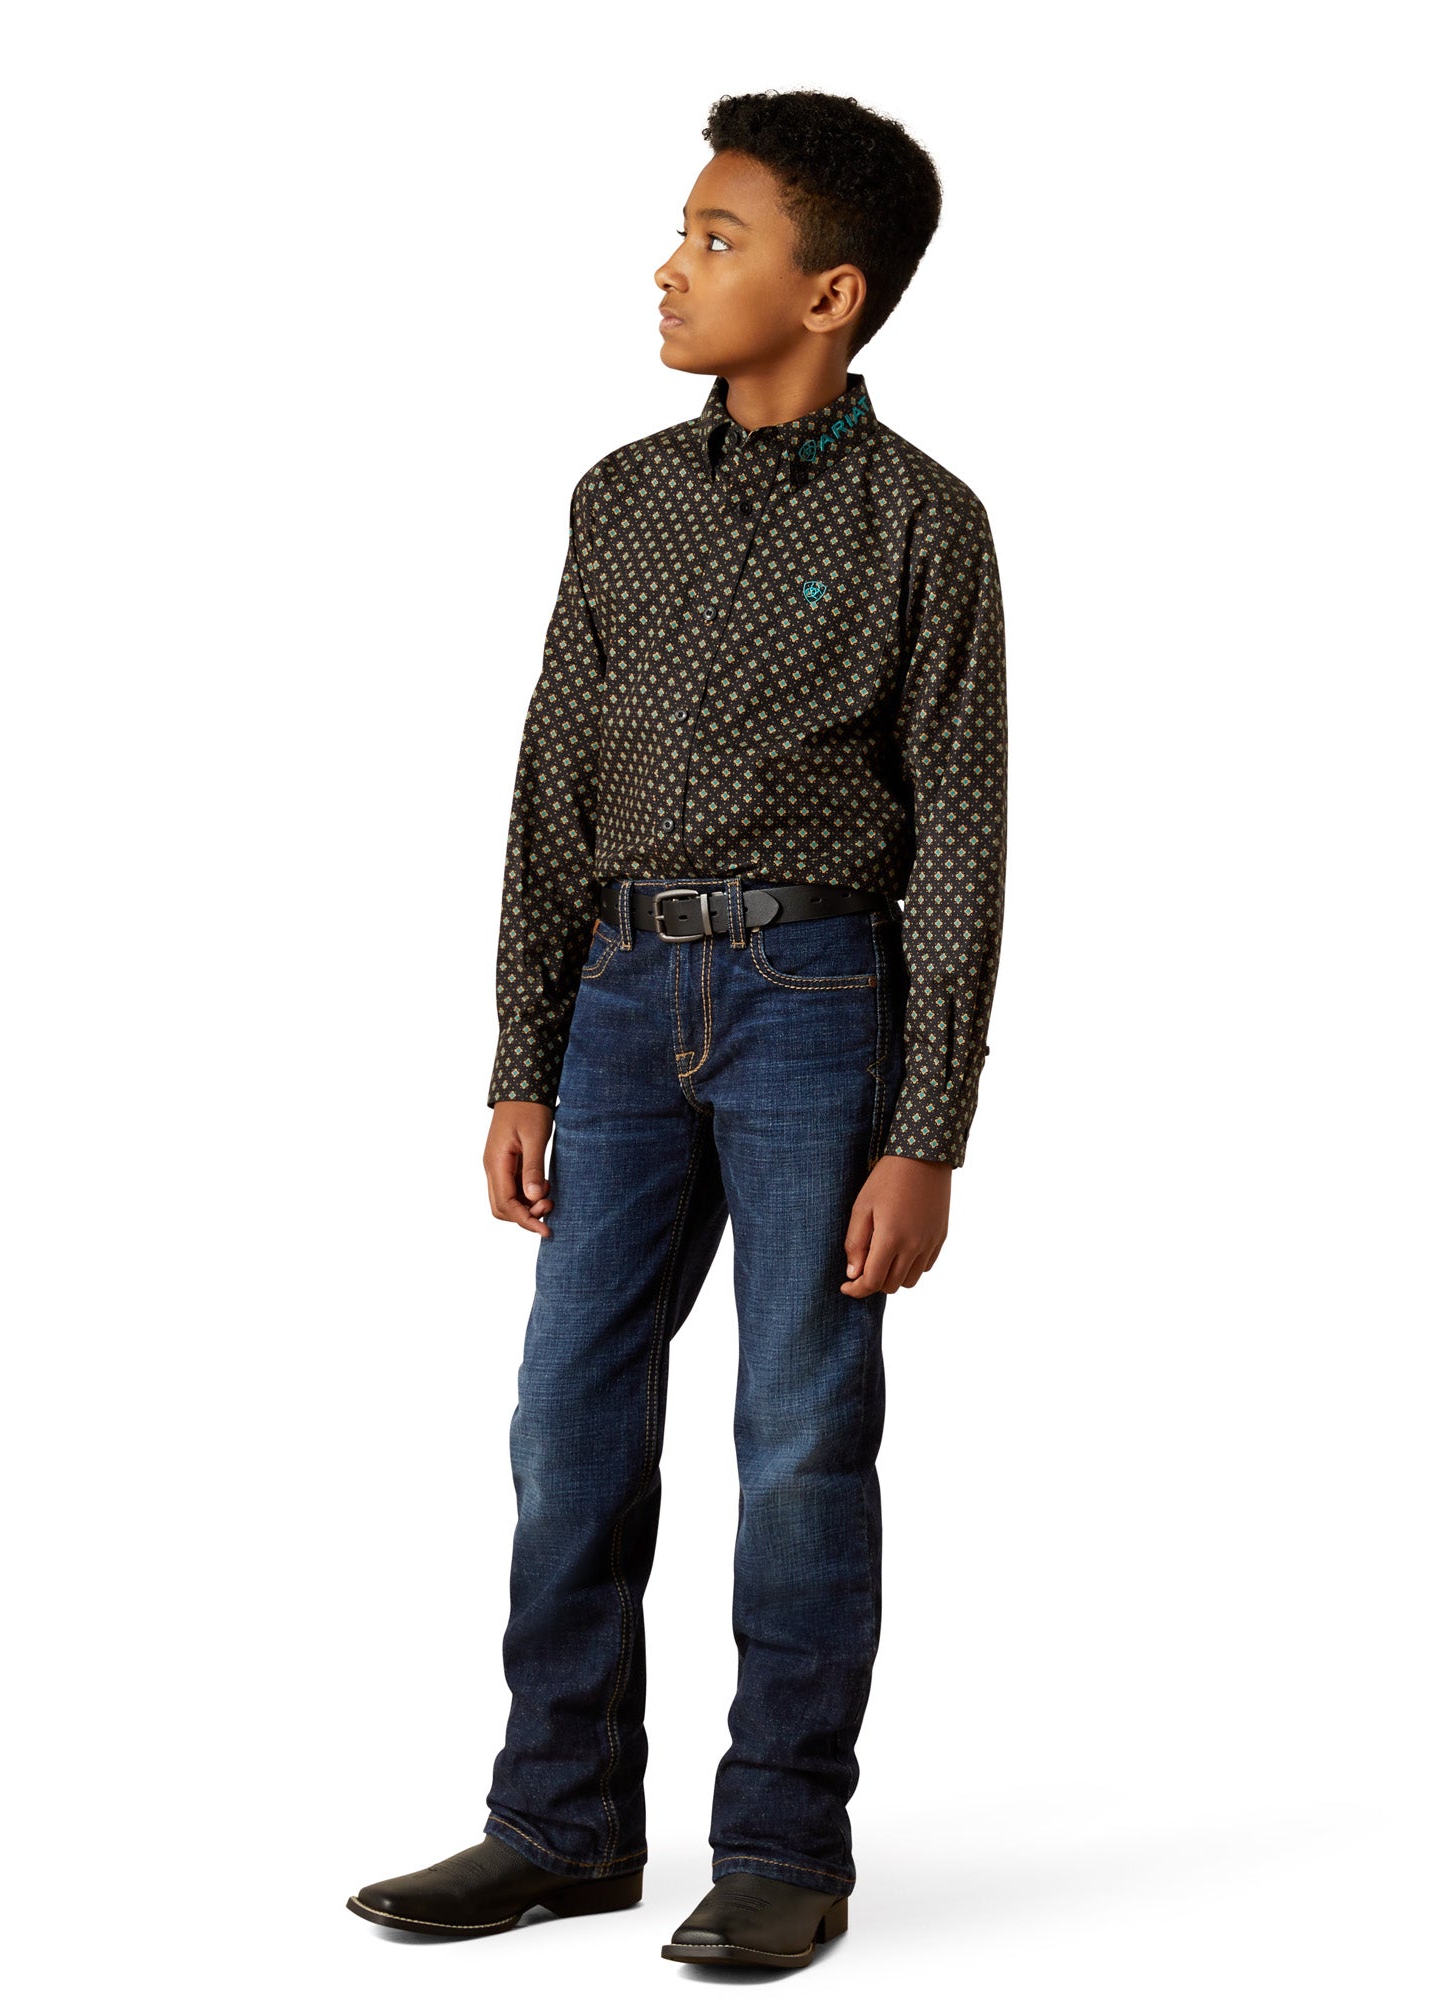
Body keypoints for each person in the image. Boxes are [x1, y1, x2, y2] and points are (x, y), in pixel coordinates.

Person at [348, 88, 1007, 1971]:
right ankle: (558, 1823)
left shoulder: (924, 525)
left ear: (830, 293)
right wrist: (522, 1053)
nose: (671, 264)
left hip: (817, 1006)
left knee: (800, 1431)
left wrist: (927, 1130)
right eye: (683, 231)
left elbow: (962, 835)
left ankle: (785, 1843)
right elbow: (553, 778)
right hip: (624, 1004)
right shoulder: (621, 497)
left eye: (718, 240)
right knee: (568, 1413)